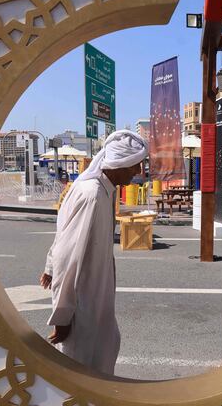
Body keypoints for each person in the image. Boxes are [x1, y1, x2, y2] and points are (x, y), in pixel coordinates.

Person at [40, 130, 147, 374]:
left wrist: (48, 266)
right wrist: (63, 316)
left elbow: (64, 233)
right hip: (83, 302)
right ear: (119, 163)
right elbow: (68, 256)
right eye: (134, 165)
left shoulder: (102, 190)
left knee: (103, 351)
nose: (137, 172)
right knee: (81, 369)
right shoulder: (93, 195)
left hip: (96, 295)